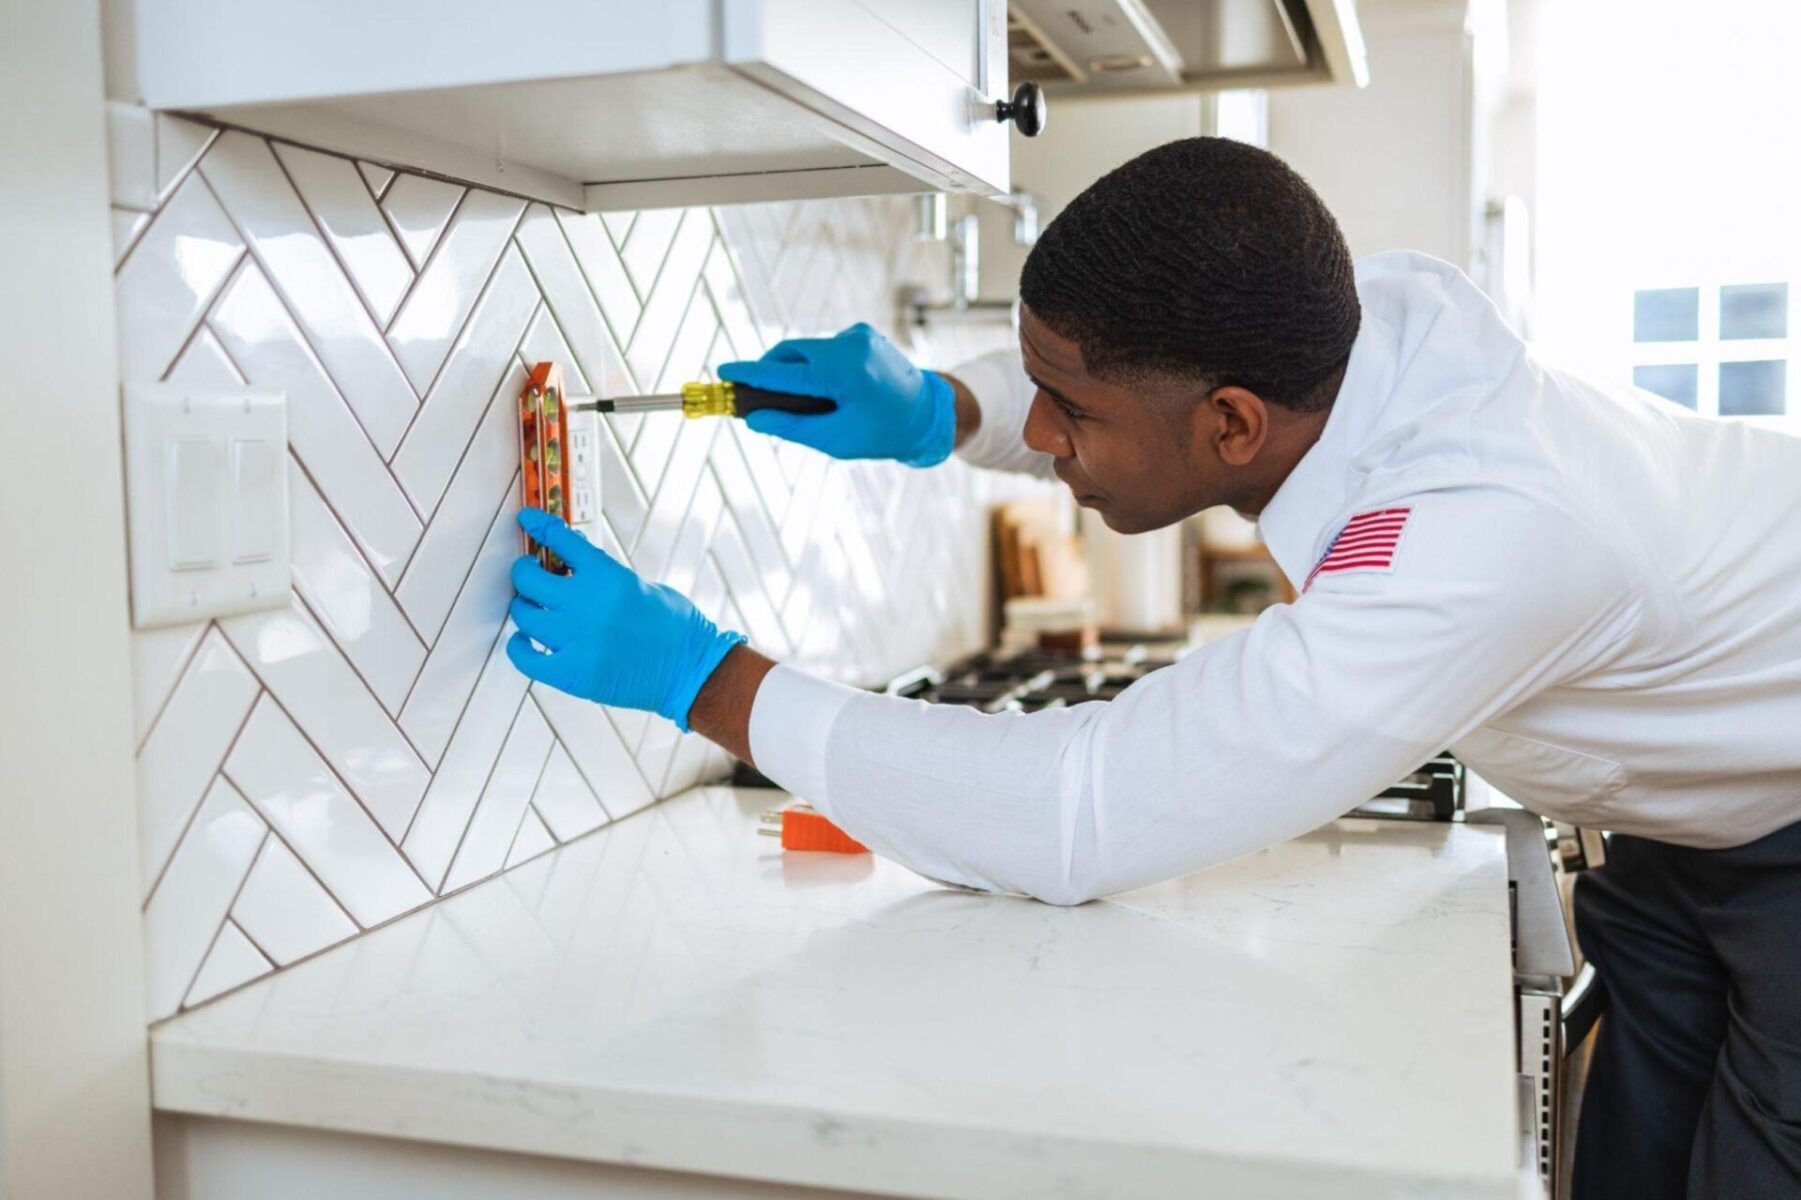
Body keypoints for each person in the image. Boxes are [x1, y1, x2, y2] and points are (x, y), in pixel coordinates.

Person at [506, 137, 1801, 1198]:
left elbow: (1083, 810)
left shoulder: (1476, 541)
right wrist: (935, 412)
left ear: (1234, 426)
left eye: (1063, 410)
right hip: (1687, 822)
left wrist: (707, 679)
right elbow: (1143, 381)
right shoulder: (1348, 335)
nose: (1039, 430)